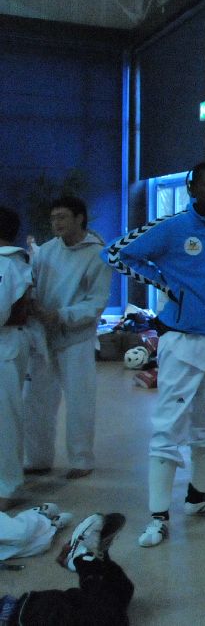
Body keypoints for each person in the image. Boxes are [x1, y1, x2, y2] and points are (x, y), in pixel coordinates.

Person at [102, 161, 205, 549]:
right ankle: (158, 517)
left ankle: (197, 499)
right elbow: (116, 253)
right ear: (192, 188)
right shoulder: (173, 226)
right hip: (184, 341)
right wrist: (166, 284)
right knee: (169, 426)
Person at [22, 197, 112, 480]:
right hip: (42, 336)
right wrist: (32, 305)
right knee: (35, 399)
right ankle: (37, 459)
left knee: (79, 401)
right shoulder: (47, 250)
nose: (56, 223)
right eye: (53, 219)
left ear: (79, 218)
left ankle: (81, 459)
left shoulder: (98, 255)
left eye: (62, 217)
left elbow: (96, 302)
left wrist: (61, 315)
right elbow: (32, 284)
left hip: (77, 338)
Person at [0, 511, 133, 625]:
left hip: (24, 616)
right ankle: (92, 560)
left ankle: (83, 559)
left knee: (109, 618)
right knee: (122, 591)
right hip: (32, 611)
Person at [0, 207, 34, 512]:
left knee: (5, 419)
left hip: (7, 345)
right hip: (9, 342)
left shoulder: (6, 263)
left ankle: (7, 486)